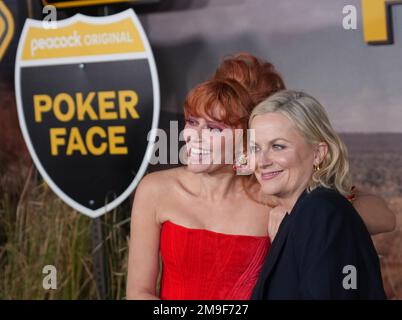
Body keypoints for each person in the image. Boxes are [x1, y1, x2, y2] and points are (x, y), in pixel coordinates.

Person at [126, 53, 394, 300]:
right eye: (193, 121)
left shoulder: (275, 193)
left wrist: (296, 219)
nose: (192, 137)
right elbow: (139, 292)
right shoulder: (156, 190)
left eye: (217, 127)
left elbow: (381, 216)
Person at [249, 90, 386, 299]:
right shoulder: (299, 214)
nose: (262, 161)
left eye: (278, 146)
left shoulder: (320, 212)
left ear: (318, 153)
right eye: (255, 148)